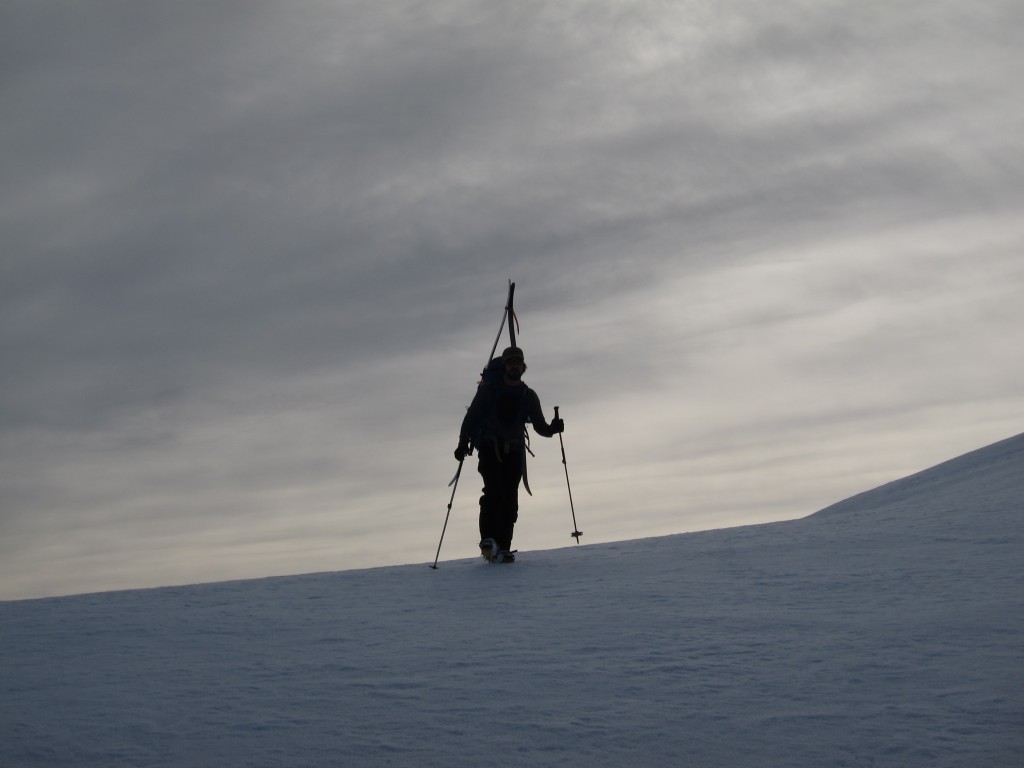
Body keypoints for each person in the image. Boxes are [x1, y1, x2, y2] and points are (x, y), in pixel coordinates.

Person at [455, 346, 564, 562]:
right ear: (504, 366)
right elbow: (472, 416)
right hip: (489, 448)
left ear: (523, 366)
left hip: (514, 451)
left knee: (510, 500)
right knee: (495, 493)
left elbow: (540, 426)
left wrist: (553, 429)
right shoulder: (489, 390)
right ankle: (488, 542)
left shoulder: (528, 395)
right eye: (510, 362)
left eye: (518, 362)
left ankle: (503, 547)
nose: (514, 365)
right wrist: (462, 443)